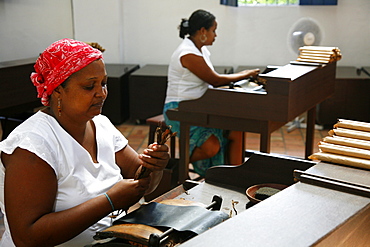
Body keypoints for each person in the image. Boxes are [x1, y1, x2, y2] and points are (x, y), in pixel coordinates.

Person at [0, 38, 169, 247]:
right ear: (58, 90)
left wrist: (155, 167)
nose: (102, 93)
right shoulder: (32, 146)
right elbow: (27, 238)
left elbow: (142, 183)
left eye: (104, 83)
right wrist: (109, 201)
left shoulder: (101, 124)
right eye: (89, 86)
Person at [163, 9, 260, 177]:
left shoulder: (201, 50)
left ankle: (236, 177)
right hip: (180, 110)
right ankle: (178, 165)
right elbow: (215, 80)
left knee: (237, 131)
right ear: (202, 31)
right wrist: (246, 74)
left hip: (199, 107)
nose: (215, 35)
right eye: (213, 30)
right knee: (212, 147)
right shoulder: (188, 53)